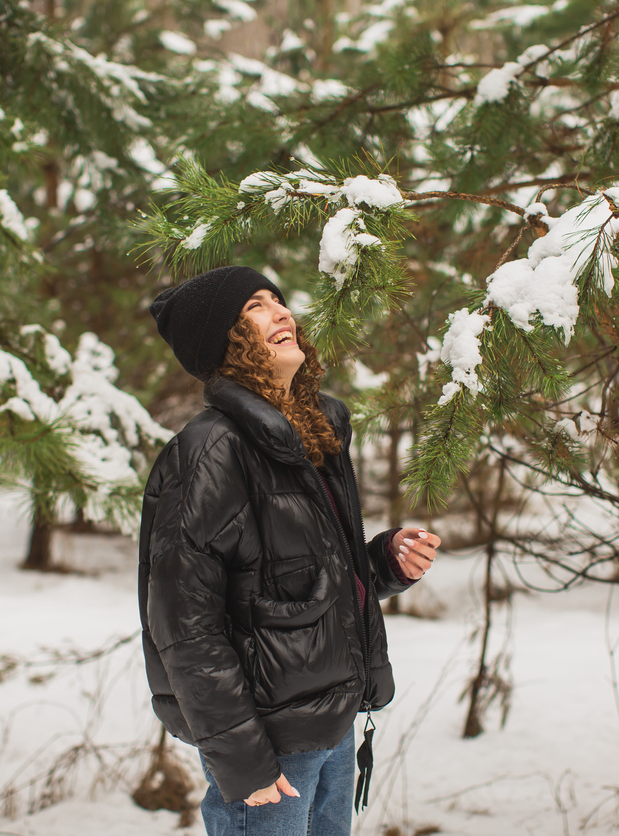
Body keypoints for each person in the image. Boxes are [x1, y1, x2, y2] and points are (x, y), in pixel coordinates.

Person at [139, 265, 441, 836]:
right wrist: (241, 756)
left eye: (278, 299)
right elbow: (184, 625)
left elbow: (306, 583)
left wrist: (384, 561)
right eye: (256, 306)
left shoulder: (313, 431)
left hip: (332, 721)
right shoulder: (209, 452)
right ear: (224, 340)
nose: (282, 312)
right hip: (268, 746)